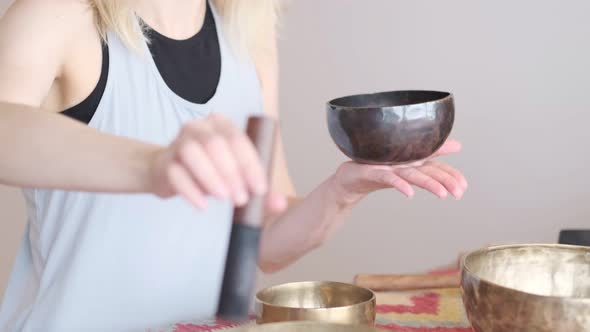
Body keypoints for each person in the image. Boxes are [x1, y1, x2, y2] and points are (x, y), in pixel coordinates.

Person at [0, 0, 468, 331]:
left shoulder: (248, 36)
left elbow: (263, 242)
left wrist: (342, 192)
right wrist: (154, 165)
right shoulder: (56, 14)